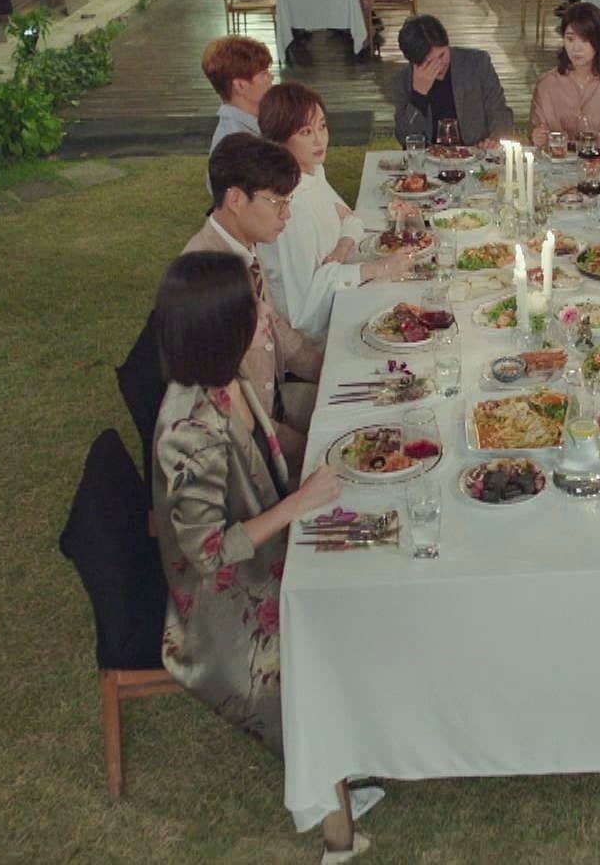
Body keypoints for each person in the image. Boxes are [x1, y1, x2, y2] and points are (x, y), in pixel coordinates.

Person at [148, 249, 344, 759]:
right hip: (230, 596)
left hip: (270, 536)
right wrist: (298, 503)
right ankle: (336, 750)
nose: (266, 316)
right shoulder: (188, 432)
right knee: (347, 602)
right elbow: (208, 553)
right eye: (255, 309)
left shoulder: (226, 378)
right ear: (220, 328)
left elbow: (267, 453)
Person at [182, 133, 325, 473]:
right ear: (235, 199)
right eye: (277, 202)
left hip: (276, 402)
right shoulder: (206, 281)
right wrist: (304, 449)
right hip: (249, 445)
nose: (287, 215)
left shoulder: (243, 245)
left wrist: (330, 368)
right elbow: (231, 411)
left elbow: (276, 327)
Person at [257, 83, 416, 342]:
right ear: (281, 139)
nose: (320, 140)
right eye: (306, 132)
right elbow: (305, 305)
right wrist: (377, 267)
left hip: (341, 292)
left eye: (322, 126)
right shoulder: (289, 203)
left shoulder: (311, 172)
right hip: (314, 335)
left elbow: (351, 220)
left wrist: (341, 251)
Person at [385, 15, 515, 147]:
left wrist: (495, 140)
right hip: (429, 155)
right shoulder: (404, 80)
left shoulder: (477, 63)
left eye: (442, 55)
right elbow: (405, 138)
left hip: (476, 151)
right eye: (429, 62)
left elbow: (500, 112)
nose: (439, 65)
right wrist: (419, 95)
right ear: (414, 63)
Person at [528, 2, 600, 149]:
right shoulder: (546, 85)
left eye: (585, 40)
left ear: (599, 41)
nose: (576, 48)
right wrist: (536, 136)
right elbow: (535, 133)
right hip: (558, 160)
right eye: (570, 39)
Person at [203, 36, 273, 150]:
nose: (271, 77)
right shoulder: (238, 145)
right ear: (240, 85)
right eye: (263, 74)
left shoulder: (251, 124)